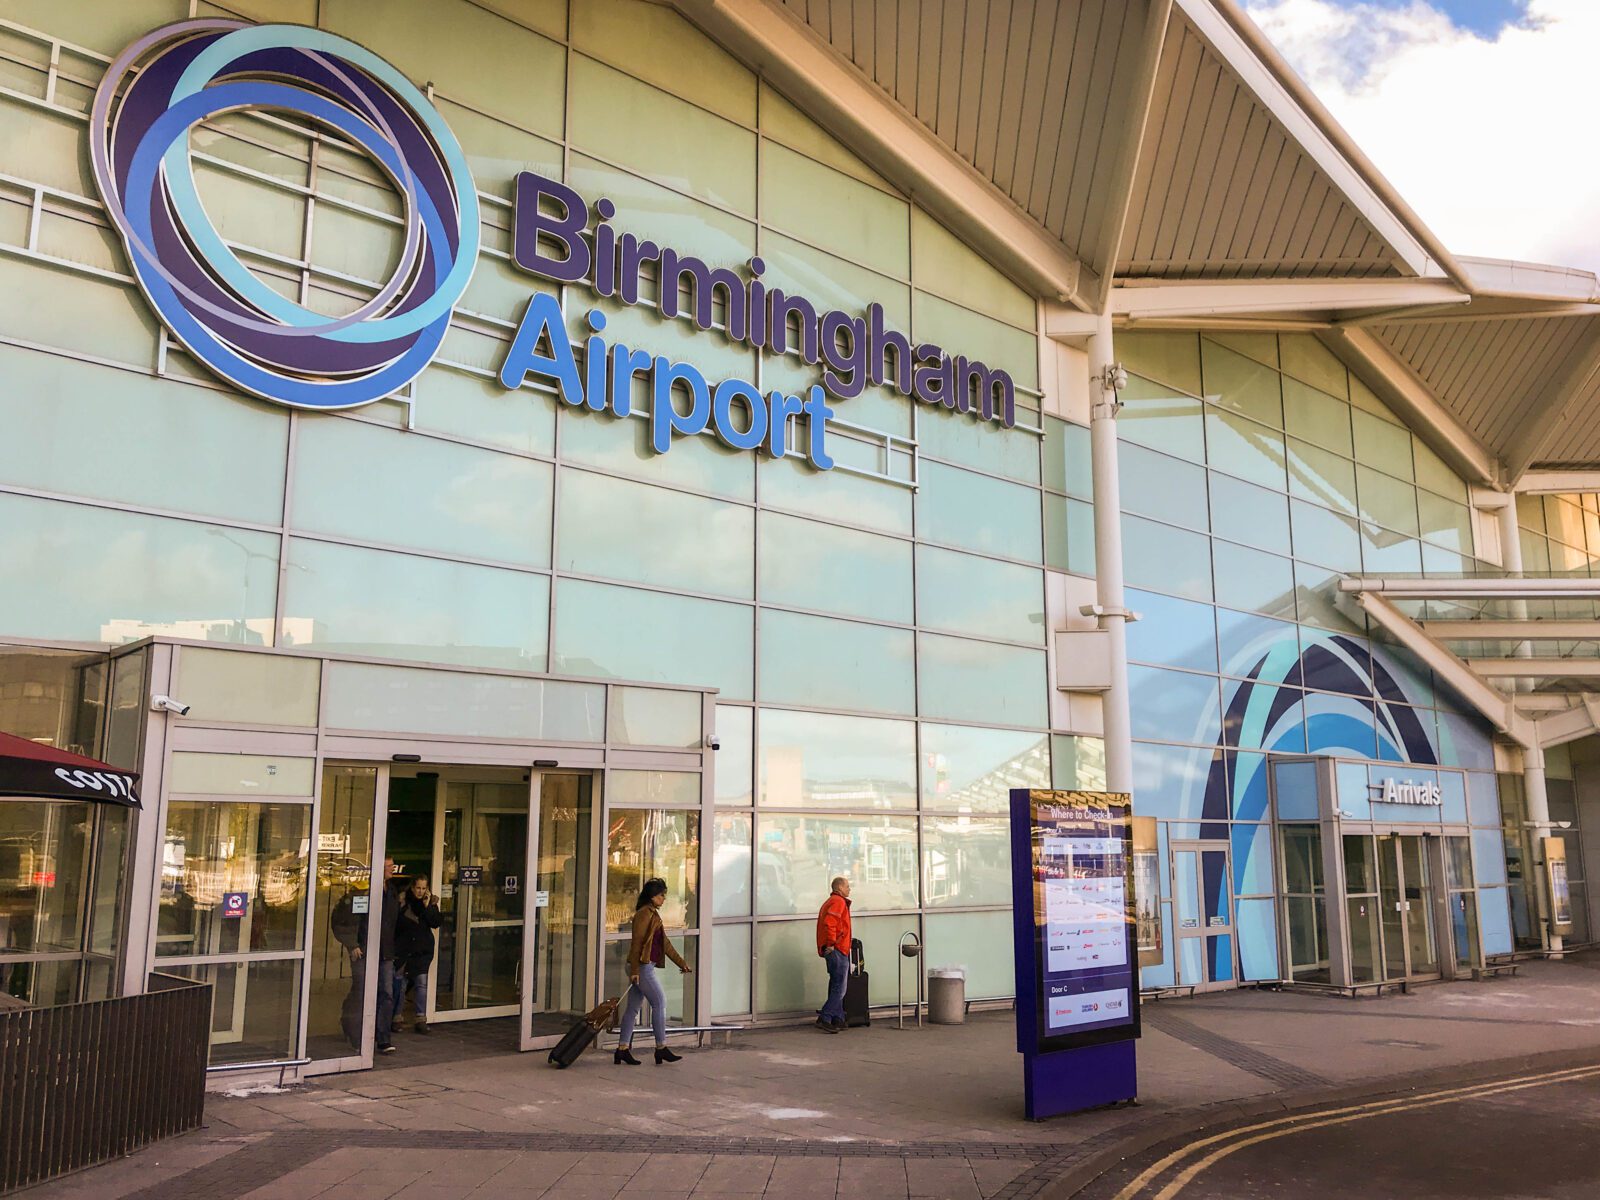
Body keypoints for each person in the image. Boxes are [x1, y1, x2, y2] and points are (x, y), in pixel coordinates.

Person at [615, 877, 692, 1066]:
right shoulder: (644, 914)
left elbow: (664, 943)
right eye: (661, 895)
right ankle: (661, 1047)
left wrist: (681, 963)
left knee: (633, 1008)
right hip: (641, 966)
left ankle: (622, 1049)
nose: (664, 899)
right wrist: (635, 970)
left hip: (642, 966)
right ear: (652, 897)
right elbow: (636, 943)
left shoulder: (653, 915)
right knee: (659, 1002)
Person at [393, 876, 443, 1035]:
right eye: (418, 888)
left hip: (422, 950)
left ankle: (420, 1019)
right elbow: (396, 924)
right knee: (400, 985)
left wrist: (428, 906)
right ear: (412, 888)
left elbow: (435, 922)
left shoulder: (430, 903)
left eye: (423, 888)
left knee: (421, 984)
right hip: (404, 950)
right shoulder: (402, 902)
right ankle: (396, 1017)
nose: (420, 891)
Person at [815, 876, 852, 1033]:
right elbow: (830, 923)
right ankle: (826, 1016)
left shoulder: (831, 901)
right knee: (840, 987)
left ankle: (837, 1018)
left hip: (835, 948)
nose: (850, 889)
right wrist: (831, 943)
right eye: (848, 886)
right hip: (837, 949)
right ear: (839, 888)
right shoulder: (838, 902)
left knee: (836, 984)